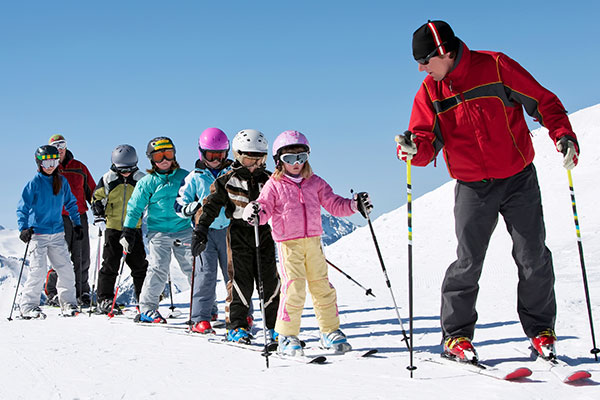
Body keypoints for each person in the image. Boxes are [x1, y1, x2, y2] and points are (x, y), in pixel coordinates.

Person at [396, 20, 579, 362]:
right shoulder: (430, 92)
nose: (422, 69)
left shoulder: (496, 66)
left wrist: (563, 135)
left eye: (425, 61)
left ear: (444, 52)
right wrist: (410, 149)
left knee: (533, 255)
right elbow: (423, 144)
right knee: (468, 262)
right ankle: (456, 336)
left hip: (517, 177)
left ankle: (541, 331)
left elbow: (544, 102)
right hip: (472, 186)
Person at [245, 130, 372, 356]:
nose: (296, 164)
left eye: (301, 157)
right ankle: (286, 334)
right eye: (290, 159)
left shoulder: (315, 182)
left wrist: (355, 205)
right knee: (294, 288)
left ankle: (329, 331)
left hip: (314, 242)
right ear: (278, 161)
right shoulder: (274, 185)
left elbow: (334, 204)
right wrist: (254, 212)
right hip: (288, 244)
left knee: (322, 287)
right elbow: (264, 208)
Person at [192, 129, 280, 344]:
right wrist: (201, 229)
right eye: (250, 158)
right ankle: (237, 326)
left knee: (270, 281)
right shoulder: (227, 180)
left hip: (264, 232)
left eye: (260, 158)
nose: (255, 163)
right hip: (239, 232)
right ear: (238, 155)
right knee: (240, 280)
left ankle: (275, 326)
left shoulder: (270, 179)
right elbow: (210, 205)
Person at [120, 137, 193, 323]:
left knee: (193, 268)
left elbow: (197, 198)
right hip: (158, 232)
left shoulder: (185, 177)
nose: (164, 160)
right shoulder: (148, 182)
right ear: (152, 159)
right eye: (159, 156)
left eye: (167, 154)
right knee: (158, 268)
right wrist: (128, 230)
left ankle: (205, 307)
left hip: (183, 229)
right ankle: (147, 309)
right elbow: (135, 207)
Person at [175, 128, 234, 334]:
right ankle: (201, 317)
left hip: (229, 231)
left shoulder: (233, 174)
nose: (216, 160)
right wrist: (189, 209)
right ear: (202, 153)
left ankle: (240, 315)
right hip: (204, 233)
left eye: (220, 155)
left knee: (234, 275)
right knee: (205, 275)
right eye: (211, 155)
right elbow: (179, 203)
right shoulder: (195, 177)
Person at [17, 145, 82, 318]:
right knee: (38, 270)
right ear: (39, 164)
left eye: (54, 161)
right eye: (46, 163)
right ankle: (28, 306)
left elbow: (71, 203)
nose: (50, 166)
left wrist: (77, 224)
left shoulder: (62, 181)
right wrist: (23, 228)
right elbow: (22, 208)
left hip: (58, 233)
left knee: (66, 269)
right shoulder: (34, 183)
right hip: (38, 234)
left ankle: (68, 303)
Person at [91, 144, 148, 314]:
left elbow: (150, 198)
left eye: (129, 169)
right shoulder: (108, 179)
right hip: (113, 228)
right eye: (121, 170)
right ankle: (105, 299)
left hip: (134, 229)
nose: (125, 173)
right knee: (110, 265)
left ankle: (143, 299)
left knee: (139, 265)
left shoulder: (141, 179)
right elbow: (96, 198)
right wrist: (99, 214)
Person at [44, 134, 96, 307]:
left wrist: (98, 208)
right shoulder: (49, 169)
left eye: (62, 144)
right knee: (60, 257)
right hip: (57, 217)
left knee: (82, 255)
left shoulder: (79, 167)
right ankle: (53, 292)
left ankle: (82, 292)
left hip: (79, 216)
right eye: (55, 145)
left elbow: (92, 191)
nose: (59, 148)